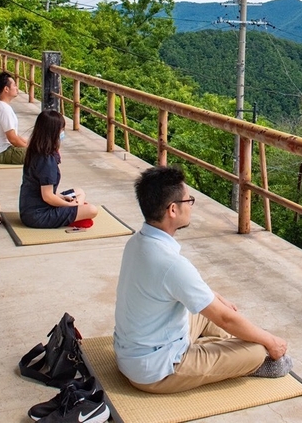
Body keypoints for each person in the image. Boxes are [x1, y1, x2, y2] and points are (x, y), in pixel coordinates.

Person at [114, 165, 291, 394]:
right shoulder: (171, 264)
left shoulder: (137, 242)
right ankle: (242, 358)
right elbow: (226, 319)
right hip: (157, 371)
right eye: (189, 201)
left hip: (133, 352)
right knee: (257, 350)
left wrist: (214, 298)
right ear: (173, 210)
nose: (191, 206)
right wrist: (271, 341)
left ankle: (230, 350)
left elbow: (194, 295)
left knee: (209, 310)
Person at [19, 110, 99, 228]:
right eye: (61, 130)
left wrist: (62, 198)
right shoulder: (46, 160)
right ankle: (75, 212)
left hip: (31, 207)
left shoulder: (36, 149)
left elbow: (47, 191)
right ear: (53, 132)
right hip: (38, 215)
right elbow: (48, 197)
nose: (62, 133)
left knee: (79, 191)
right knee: (92, 210)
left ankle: (74, 211)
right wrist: (70, 206)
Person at [0, 72, 28, 164]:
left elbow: (14, 135)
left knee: (32, 141)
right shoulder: (4, 109)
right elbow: (12, 139)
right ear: (6, 89)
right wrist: (28, 148)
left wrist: (27, 143)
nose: (17, 88)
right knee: (41, 154)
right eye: (14, 85)